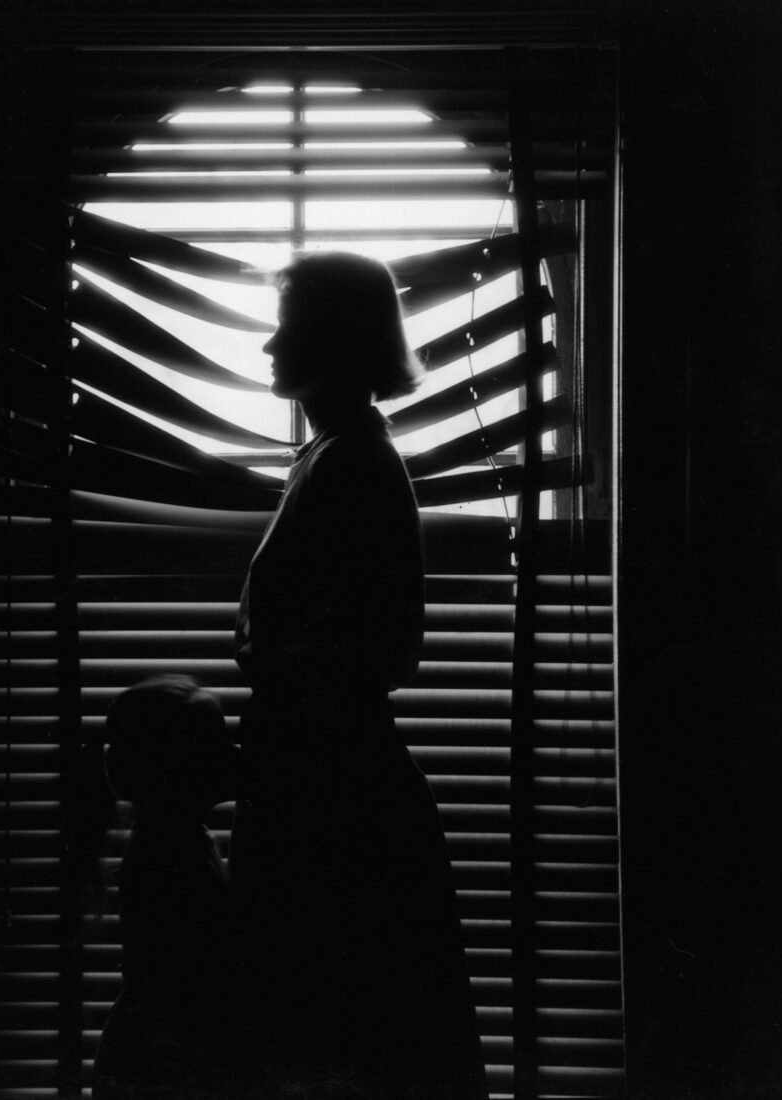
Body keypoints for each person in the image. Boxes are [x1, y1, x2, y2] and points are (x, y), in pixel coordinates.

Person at [230, 252, 487, 1100]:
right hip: (323, 780)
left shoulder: (349, 466)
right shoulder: (332, 456)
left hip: (328, 796)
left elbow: (371, 647)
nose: (270, 346)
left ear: (332, 341)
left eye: (289, 326)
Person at [75, 676, 245, 1100]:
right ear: (175, 768)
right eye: (214, 744)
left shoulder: (176, 838)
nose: (232, 754)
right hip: (160, 1062)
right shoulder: (170, 854)